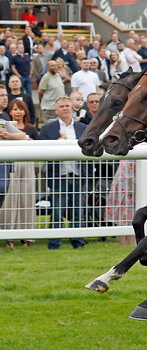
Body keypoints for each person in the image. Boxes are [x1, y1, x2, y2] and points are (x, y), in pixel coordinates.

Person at [40, 96, 90, 249]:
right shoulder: (48, 129)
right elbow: (42, 151)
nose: (65, 108)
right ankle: (54, 243)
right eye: (61, 106)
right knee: (57, 211)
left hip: (78, 175)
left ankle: (78, 242)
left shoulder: (82, 128)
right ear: (56, 110)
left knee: (78, 211)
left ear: (71, 108)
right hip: (58, 175)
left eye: (67, 105)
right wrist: (57, 142)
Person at [0, 99, 38, 248]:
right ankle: (9, 237)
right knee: (11, 200)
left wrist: (8, 135)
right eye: (15, 109)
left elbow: (26, 137)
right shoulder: (5, 122)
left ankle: (27, 237)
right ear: (10, 111)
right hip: (9, 165)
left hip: (23, 164)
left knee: (26, 199)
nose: (17, 112)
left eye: (20, 109)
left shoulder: (5, 123)